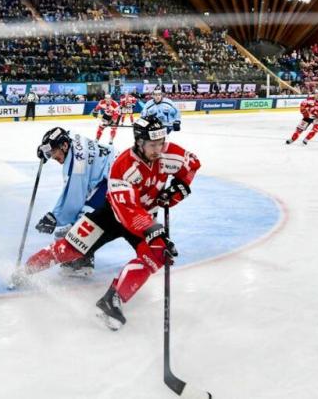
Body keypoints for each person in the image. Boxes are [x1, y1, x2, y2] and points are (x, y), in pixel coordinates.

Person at [11, 116, 201, 330]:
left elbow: (192, 164)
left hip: (144, 219)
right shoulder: (122, 167)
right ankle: (26, 269)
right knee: (69, 249)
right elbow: (127, 211)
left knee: (157, 252)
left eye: (160, 144)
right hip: (112, 214)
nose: (158, 150)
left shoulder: (168, 153)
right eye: (152, 145)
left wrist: (179, 188)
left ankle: (112, 300)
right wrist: (152, 229)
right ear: (139, 142)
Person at [34, 127, 116, 276]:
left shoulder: (77, 164)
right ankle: (78, 257)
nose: (52, 156)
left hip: (113, 181)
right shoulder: (71, 143)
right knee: (81, 218)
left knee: (84, 220)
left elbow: (74, 199)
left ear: (64, 146)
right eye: (50, 153)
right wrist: (44, 153)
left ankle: (83, 261)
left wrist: (55, 217)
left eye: (53, 152)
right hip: (106, 176)